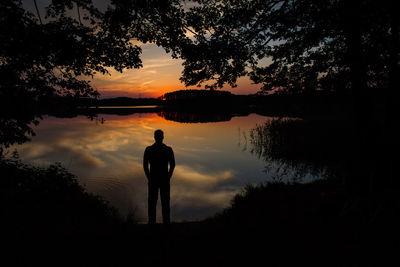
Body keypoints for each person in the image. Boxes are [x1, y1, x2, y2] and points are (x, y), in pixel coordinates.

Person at [143, 129, 175, 225]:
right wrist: (168, 176)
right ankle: (165, 224)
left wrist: (149, 177)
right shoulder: (168, 150)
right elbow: (173, 165)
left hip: (155, 179)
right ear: (162, 137)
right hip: (162, 179)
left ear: (155, 137)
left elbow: (145, 166)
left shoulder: (149, 149)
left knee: (153, 204)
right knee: (164, 203)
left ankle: (152, 224)